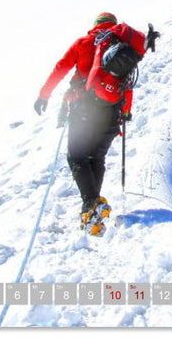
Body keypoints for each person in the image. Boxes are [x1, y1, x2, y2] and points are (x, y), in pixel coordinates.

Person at [34, 12, 159, 235]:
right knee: (96, 158)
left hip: (85, 110)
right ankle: (93, 211)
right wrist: (125, 112)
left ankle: (91, 204)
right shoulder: (122, 45)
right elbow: (127, 84)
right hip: (112, 112)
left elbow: (61, 68)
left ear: (95, 26)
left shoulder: (84, 43)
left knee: (77, 156)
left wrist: (44, 95)